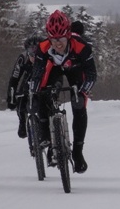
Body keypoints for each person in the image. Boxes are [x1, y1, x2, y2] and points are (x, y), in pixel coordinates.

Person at [29, 10, 97, 174]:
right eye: (53, 39)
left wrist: (83, 92)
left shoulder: (82, 47)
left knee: (79, 104)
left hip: (76, 69)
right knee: (42, 93)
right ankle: (48, 137)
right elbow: (38, 73)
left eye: (61, 39)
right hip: (53, 70)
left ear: (68, 35)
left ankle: (78, 153)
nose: (58, 43)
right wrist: (35, 92)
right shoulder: (43, 48)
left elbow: (91, 74)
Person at [6, 36, 42, 138]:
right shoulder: (23, 58)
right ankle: (22, 122)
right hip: (29, 77)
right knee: (22, 99)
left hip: (44, 79)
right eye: (31, 52)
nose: (34, 56)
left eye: (38, 52)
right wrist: (11, 97)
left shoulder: (48, 56)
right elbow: (14, 78)